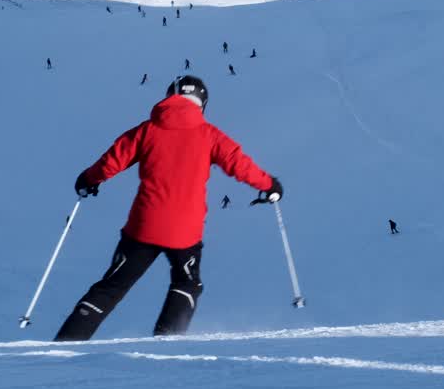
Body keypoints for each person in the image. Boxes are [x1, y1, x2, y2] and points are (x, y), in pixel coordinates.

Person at [54, 76, 283, 340]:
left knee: (112, 286)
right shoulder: (210, 135)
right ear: (202, 103)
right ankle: (167, 341)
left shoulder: (147, 130)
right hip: (185, 231)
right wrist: (270, 185)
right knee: (186, 283)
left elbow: (111, 162)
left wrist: (88, 180)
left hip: (143, 227)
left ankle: (66, 342)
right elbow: (238, 164)